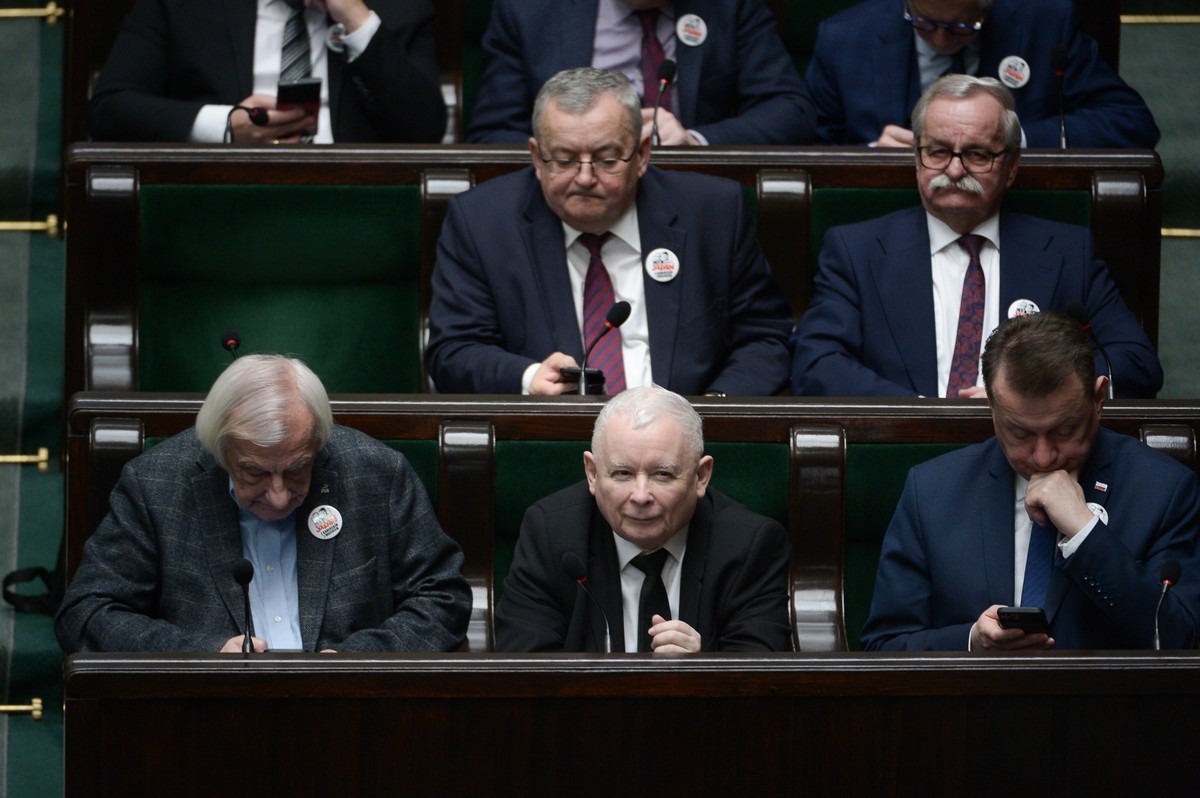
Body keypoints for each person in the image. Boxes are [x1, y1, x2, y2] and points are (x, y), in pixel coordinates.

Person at [56, 354, 471, 653]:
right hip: (206, 722)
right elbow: (86, 613)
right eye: (254, 473)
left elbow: (443, 598)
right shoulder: (157, 484)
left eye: (296, 470)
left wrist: (355, 663)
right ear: (221, 451)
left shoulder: (376, 473)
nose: (278, 495)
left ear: (318, 443)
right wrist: (205, 655)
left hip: (354, 717)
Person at [790, 74, 1162, 398]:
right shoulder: (856, 250)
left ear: (1012, 166)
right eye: (937, 152)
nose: (953, 170)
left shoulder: (1067, 251)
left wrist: (1031, 390)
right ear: (916, 157)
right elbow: (816, 363)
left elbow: (1135, 363)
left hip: (1035, 453)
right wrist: (923, 417)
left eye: (977, 155)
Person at [428, 67, 793, 396]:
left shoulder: (711, 213)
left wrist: (713, 413)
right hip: (555, 446)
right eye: (565, 160)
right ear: (537, 158)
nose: (585, 178)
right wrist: (529, 376)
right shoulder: (483, 222)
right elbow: (453, 351)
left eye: (605, 160)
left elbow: (764, 336)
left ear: (642, 154)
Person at [861, 312, 1200, 652]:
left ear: (1098, 399)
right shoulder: (933, 492)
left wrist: (1086, 535)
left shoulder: (1164, 491)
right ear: (992, 407)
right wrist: (969, 643)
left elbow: (1179, 641)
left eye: (1064, 431)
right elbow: (883, 646)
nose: (1042, 457)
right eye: (1020, 433)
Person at [496, 385, 792, 652]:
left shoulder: (749, 545)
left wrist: (704, 674)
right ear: (593, 473)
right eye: (622, 473)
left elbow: (761, 686)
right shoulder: (551, 533)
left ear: (701, 477)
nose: (640, 496)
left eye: (662, 475)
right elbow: (524, 669)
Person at [807, 0, 1159, 148]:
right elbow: (807, 147)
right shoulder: (845, 38)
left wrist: (1013, 139)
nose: (942, 38)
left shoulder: (1046, 23)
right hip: (888, 219)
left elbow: (1131, 123)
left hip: (1015, 212)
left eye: (961, 26)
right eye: (924, 24)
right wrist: (868, 159)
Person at [88, 0, 445, 144]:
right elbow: (109, 109)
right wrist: (228, 127)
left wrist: (356, 20)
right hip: (220, 204)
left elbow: (426, 131)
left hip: (352, 212)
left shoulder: (398, 7)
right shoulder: (183, 4)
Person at [466, 0, 815, 146]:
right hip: (569, 204)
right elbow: (492, 134)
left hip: (695, 197)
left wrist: (694, 142)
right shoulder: (530, 10)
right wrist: (576, 154)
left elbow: (791, 112)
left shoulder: (728, 6)